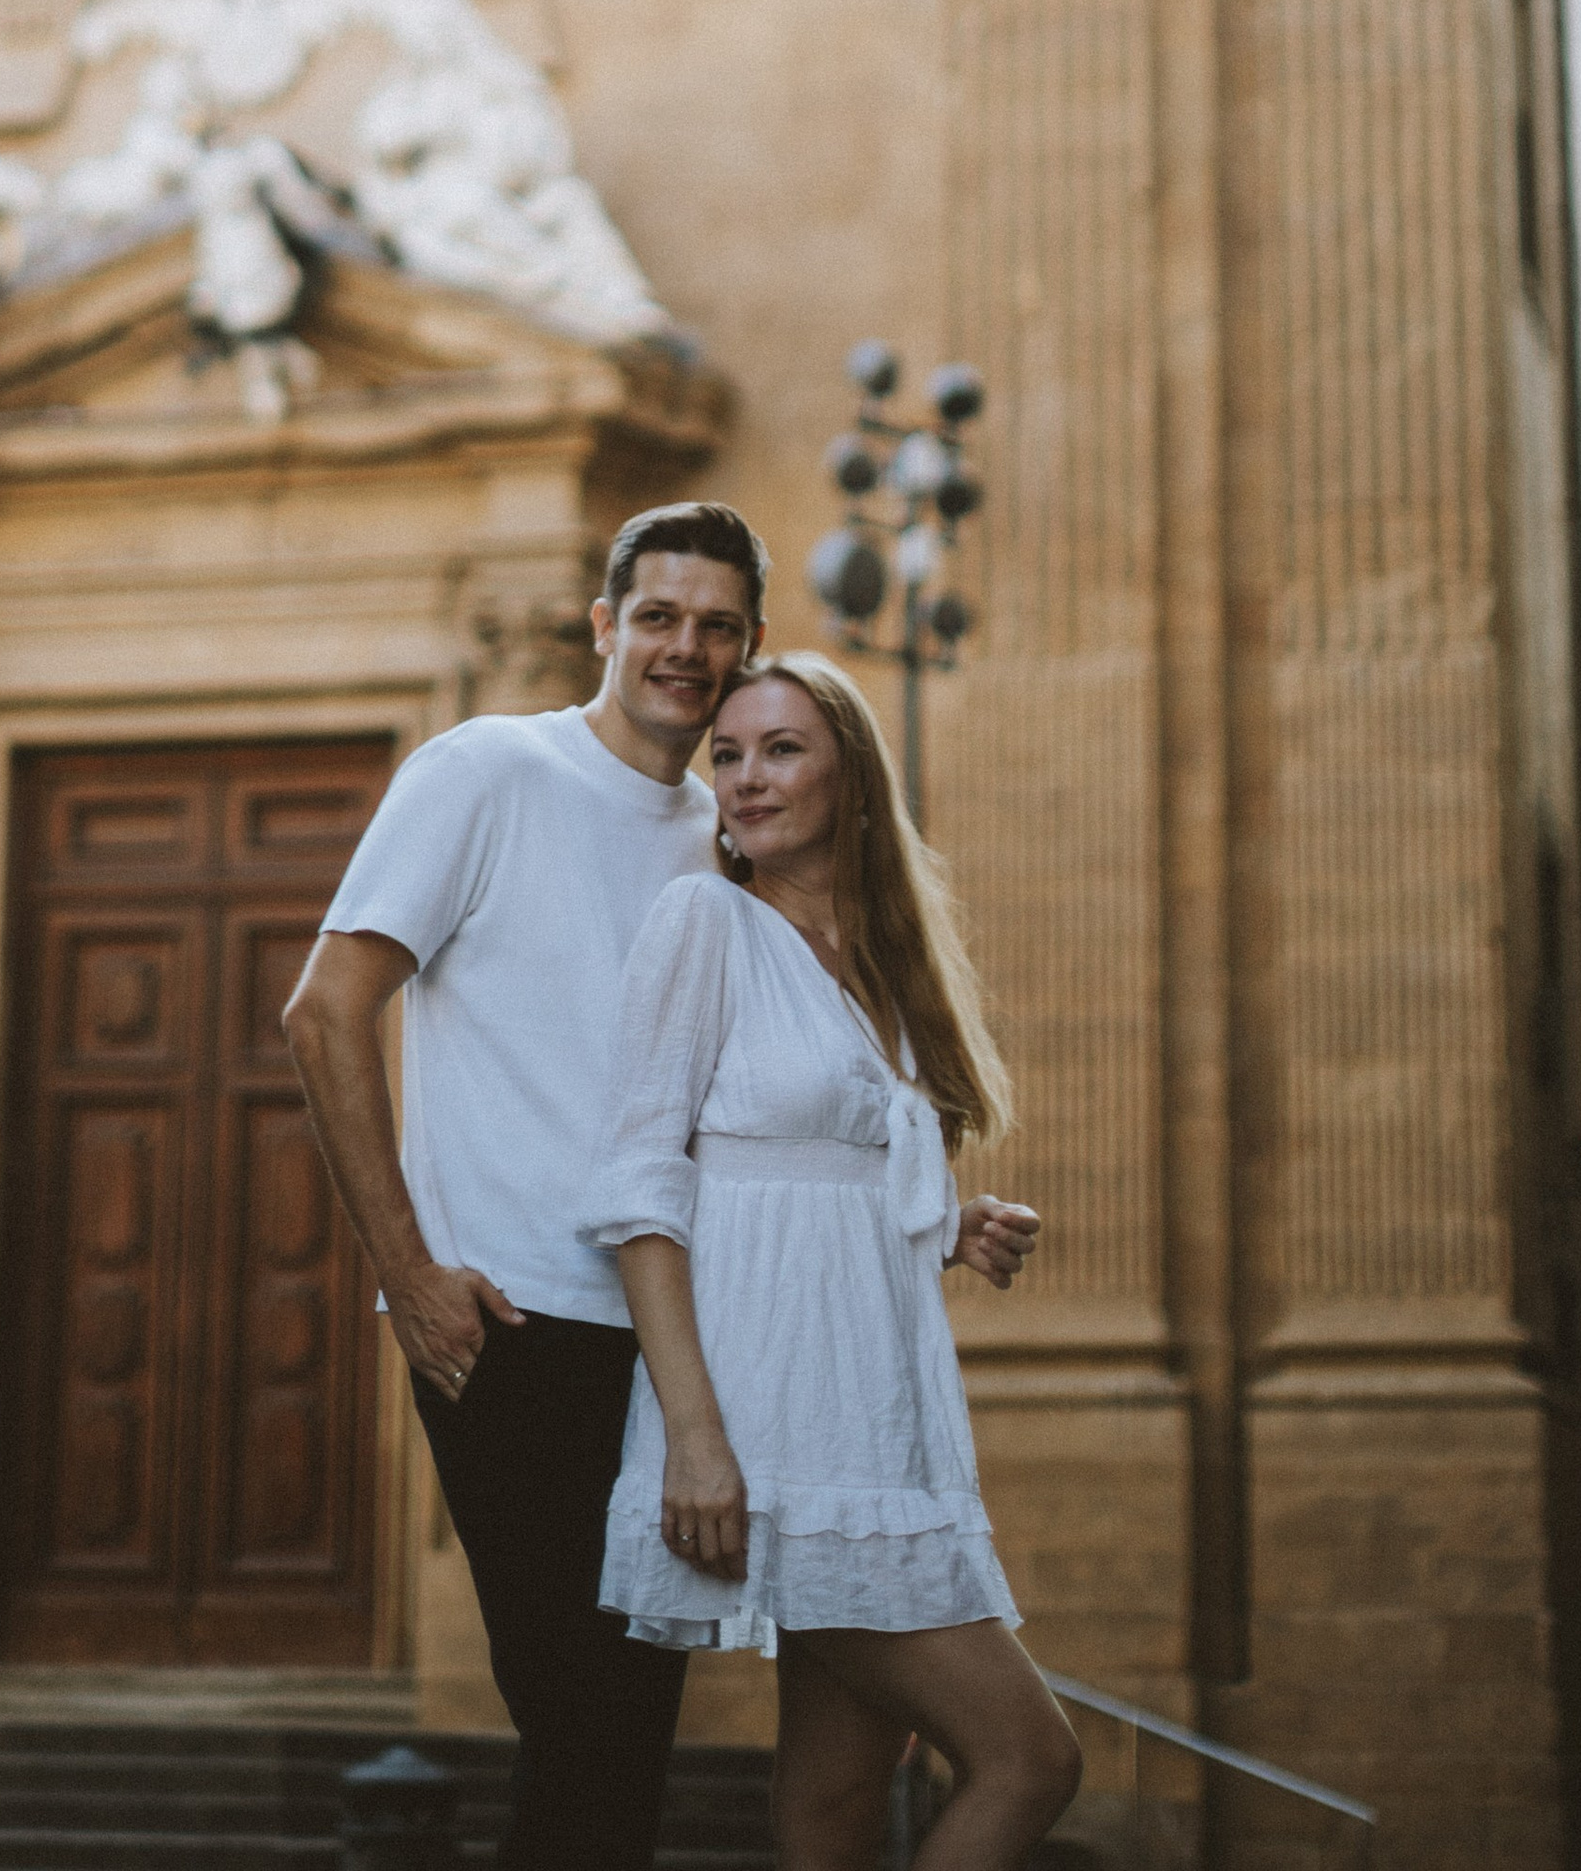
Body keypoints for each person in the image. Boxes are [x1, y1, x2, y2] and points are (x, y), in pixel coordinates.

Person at [282, 502, 767, 1871]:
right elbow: (324, 1014)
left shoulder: (724, 832)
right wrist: (408, 1274)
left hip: (674, 1342)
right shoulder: (488, 770)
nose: (687, 646)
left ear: (749, 648)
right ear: (604, 626)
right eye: (660, 616)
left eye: (717, 624)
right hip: (510, 1320)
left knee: (615, 1749)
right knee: (588, 1721)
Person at [584, 652, 1082, 1871]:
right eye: (729, 754)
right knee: (1030, 1760)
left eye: (781, 749)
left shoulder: (875, 974)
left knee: (837, 1801)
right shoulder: (706, 920)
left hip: (872, 1414)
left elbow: (804, 1170)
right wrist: (695, 1441)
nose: (745, 780)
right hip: (769, 1427)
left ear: (850, 775)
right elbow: (644, 1188)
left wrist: (941, 1222)